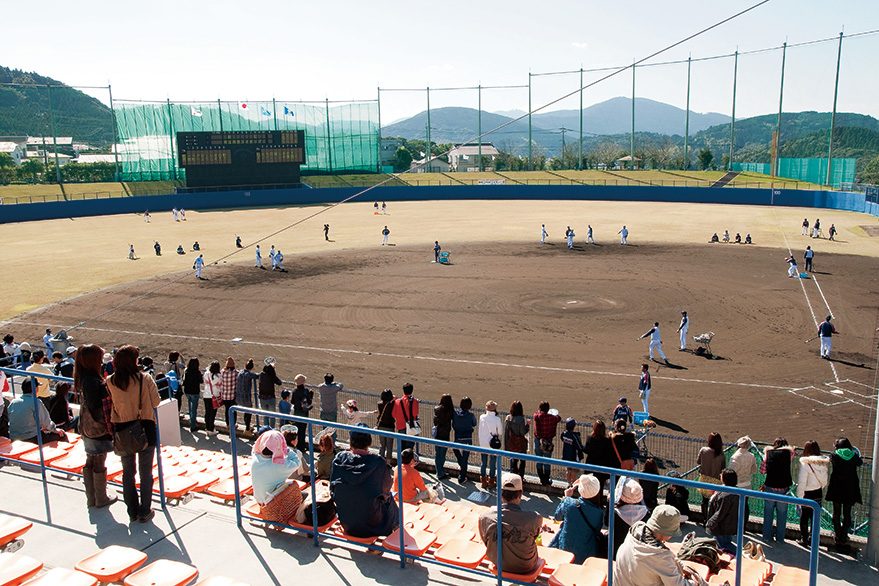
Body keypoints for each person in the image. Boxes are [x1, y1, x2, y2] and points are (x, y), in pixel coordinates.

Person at [105, 345, 161, 523]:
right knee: (146, 473)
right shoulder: (145, 379)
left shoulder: (111, 381)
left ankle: (132, 511)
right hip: (145, 427)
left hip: (122, 428)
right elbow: (156, 402)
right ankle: (145, 510)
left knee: (128, 473)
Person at [331, 427, 398, 537]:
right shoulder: (379, 462)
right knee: (389, 498)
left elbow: (332, 489)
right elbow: (386, 491)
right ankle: (396, 530)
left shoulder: (339, 459)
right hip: (374, 525)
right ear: (369, 442)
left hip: (347, 523)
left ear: (351, 442)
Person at [614, 505, 704, 586]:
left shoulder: (635, 529)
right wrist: (695, 583)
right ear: (666, 533)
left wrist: (680, 565)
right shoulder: (662, 556)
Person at [74, 344, 118, 509]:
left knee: (91, 459)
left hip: (87, 427)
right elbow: (97, 407)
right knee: (99, 460)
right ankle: (101, 498)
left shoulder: (84, 377)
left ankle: (92, 498)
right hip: (97, 428)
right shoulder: (93, 381)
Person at [478, 472, 543, 575]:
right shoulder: (534, 518)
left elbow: (486, 541)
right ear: (520, 494)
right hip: (526, 566)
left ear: (500, 493)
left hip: (499, 563)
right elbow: (534, 537)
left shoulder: (485, 517)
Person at [250, 429, 304, 524]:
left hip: (259, 498)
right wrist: (286, 450)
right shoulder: (280, 465)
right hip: (272, 503)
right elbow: (296, 462)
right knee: (296, 486)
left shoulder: (255, 458)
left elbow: (255, 448)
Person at [549, 473, 604, 563]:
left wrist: (566, 497)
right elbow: (596, 530)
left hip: (565, 550)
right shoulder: (599, 513)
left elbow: (557, 517)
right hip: (586, 555)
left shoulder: (569, 503)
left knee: (562, 525)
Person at [825, 437, 863, 550]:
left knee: (836, 513)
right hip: (850, 488)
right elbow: (860, 462)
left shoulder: (834, 455)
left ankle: (837, 535)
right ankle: (844, 536)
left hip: (837, 488)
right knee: (847, 514)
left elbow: (829, 460)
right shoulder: (853, 455)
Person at [7, 379, 65, 443]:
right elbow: (46, 422)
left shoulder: (14, 402)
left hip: (13, 436)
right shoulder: (36, 402)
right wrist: (55, 430)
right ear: (35, 389)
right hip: (30, 438)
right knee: (62, 435)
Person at [795, 440, 829, 547]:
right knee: (815, 518)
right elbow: (825, 481)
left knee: (804, 517)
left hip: (807, 494)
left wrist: (799, 498)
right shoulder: (823, 463)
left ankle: (804, 539)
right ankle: (813, 539)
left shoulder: (805, 464)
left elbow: (802, 482)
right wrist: (819, 487)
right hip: (818, 492)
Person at [762, 437, 795, 543]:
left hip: (770, 487)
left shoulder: (768, 453)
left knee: (768, 513)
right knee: (782, 514)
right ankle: (780, 539)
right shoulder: (789, 454)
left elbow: (762, 471)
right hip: (784, 489)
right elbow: (792, 451)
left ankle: (767, 537)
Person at [610, 477, 649, 559]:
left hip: (617, 553)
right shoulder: (646, 514)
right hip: (637, 556)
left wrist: (610, 502)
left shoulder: (614, 513)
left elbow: (606, 522)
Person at [706, 468, 740, 554]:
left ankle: (740, 556)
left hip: (721, 526)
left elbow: (720, 512)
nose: (720, 475)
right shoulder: (737, 491)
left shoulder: (725, 495)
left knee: (723, 545)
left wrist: (710, 522)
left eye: (722, 475)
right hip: (729, 524)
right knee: (725, 542)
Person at [697, 432, 726, 523]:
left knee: (704, 501)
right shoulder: (721, 455)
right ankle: (712, 520)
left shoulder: (703, 450)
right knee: (714, 502)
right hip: (715, 481)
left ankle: (705, 519)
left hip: (704, 479)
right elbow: (723, 468)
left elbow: (698, 462)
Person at [533, 401, 561, 486]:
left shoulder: (537, 416)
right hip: (548, 441)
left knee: (539, 459)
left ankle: (541, 478)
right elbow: (558, 418)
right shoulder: (552, 418)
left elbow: (535, 414)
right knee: (547, 460)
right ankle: (546, 479)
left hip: (538, 440)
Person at [728, 436, 757, 518]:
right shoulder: (751, 456)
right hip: (747, 485)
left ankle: (736, 527)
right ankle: (743, 526)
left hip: (736, 485)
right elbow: (754, 470)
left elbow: (730, 472)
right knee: (745, 506)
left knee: (734, 507)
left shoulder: (735, 456)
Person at [478, 400, 504, 489]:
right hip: (493, 444)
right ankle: (491, 481)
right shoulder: (497, 419)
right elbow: (500, 432)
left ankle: (483, 481)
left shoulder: (482, 417)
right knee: (492, 463)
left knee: (483, 463)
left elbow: (480, 430)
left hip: (483, 444)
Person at [452, 397, 477, 483]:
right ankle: (462, 477)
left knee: (460, 456)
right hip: (467, 440)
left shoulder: (455, 414)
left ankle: (462, 473)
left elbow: (454, 425)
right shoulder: (471, 415)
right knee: (464, 459)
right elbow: (474, 424)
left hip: (458, 439)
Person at [583, 419, 613, 491]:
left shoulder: (590, 438)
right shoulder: (606, 440)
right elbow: (609, 454)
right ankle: (599, 501)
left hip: (590, 465)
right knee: (600, 487)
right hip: (601, 467)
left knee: (589, 487)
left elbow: (586, 450)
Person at [391, 382, 419, 451]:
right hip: (411, 427)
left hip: (401, 427)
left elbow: (393, 415)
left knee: (401, 448)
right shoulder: (415, 401)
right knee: (409, 449)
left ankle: (401, 461)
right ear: (412, 391)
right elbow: (415, 413)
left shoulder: (397, 401)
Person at [504, 400, 529, 479]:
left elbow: (506, 433)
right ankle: (520, 477)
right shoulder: (521, 419)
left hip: (511, 442)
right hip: (521, 443)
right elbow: (522, 432)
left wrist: (506, 446)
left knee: (513, 460)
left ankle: (513, 476)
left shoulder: (508, 418)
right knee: (522, 460)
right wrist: (528, 425)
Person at [235, 359, 260, 432]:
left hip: (238, 397)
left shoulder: (240, 373)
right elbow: (257, 376)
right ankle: (247, 428)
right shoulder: (249, 374)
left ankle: (247, 426)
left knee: (245, 412)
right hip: (246, 398)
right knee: (248, 412)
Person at [433, 393, 454, 479]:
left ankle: (439, 472)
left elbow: (435, 421)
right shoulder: (450, 411)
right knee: (442, 454)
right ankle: (440, 472)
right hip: (445, 435)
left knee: (438, 454)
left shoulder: (437, 409)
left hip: (438, 434)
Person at [291, 374, 313, 451]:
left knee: (297, 431)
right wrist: (311, 396)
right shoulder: (306, 391)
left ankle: (296, 446)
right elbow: (309, 402)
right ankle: (301, 447)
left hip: (296, 414)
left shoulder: (294, 391)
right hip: (304, 414)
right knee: (302, 431)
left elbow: (292, 401)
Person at [560, 417, 585, 485]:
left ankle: (569, 484)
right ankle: (573, 485)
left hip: (566, 456)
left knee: (568, 470)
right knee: (574, 471)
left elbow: (562, 438)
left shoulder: (564, 434)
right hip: (574, 457)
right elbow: (579, 447)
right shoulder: (574, 436)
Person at [258, 359, 282, 428]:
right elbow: (279, 382)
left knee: (265, 415)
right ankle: (271, 429)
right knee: (272, 415)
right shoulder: (272, 376)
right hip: (270, 398)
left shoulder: (261, 375)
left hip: (262, 398)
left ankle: (266, 428)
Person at [375, 388, 397, 462]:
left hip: (381, 426)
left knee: (382, 445)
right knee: (389, 446)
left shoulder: (379, 404)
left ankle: (380, 461)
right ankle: (388, 462)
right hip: (390, 427)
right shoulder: (392, 404)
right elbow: (395, 398)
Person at [202, 360, 221, 436]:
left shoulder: (206, 374)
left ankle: (207, 427)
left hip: (206, 395)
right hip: (214, 395)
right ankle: (211, 429)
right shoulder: (218, 376)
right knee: (212, 413)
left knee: (207, 412)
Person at [182, 357, 202, 432]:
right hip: (195, 392)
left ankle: (192, 420)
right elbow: (201, 381)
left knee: (190, 407)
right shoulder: (197, 372)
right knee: (194, 409)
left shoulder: (186, 371)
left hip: (187, 391)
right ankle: (193, 426)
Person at [218, 357, 238, 428]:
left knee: (227, 410)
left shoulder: (222, 372)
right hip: (232, 395)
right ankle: (233, 424)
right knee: (234, 410)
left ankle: (228, 424)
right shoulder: (235, 373)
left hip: (224, 396)